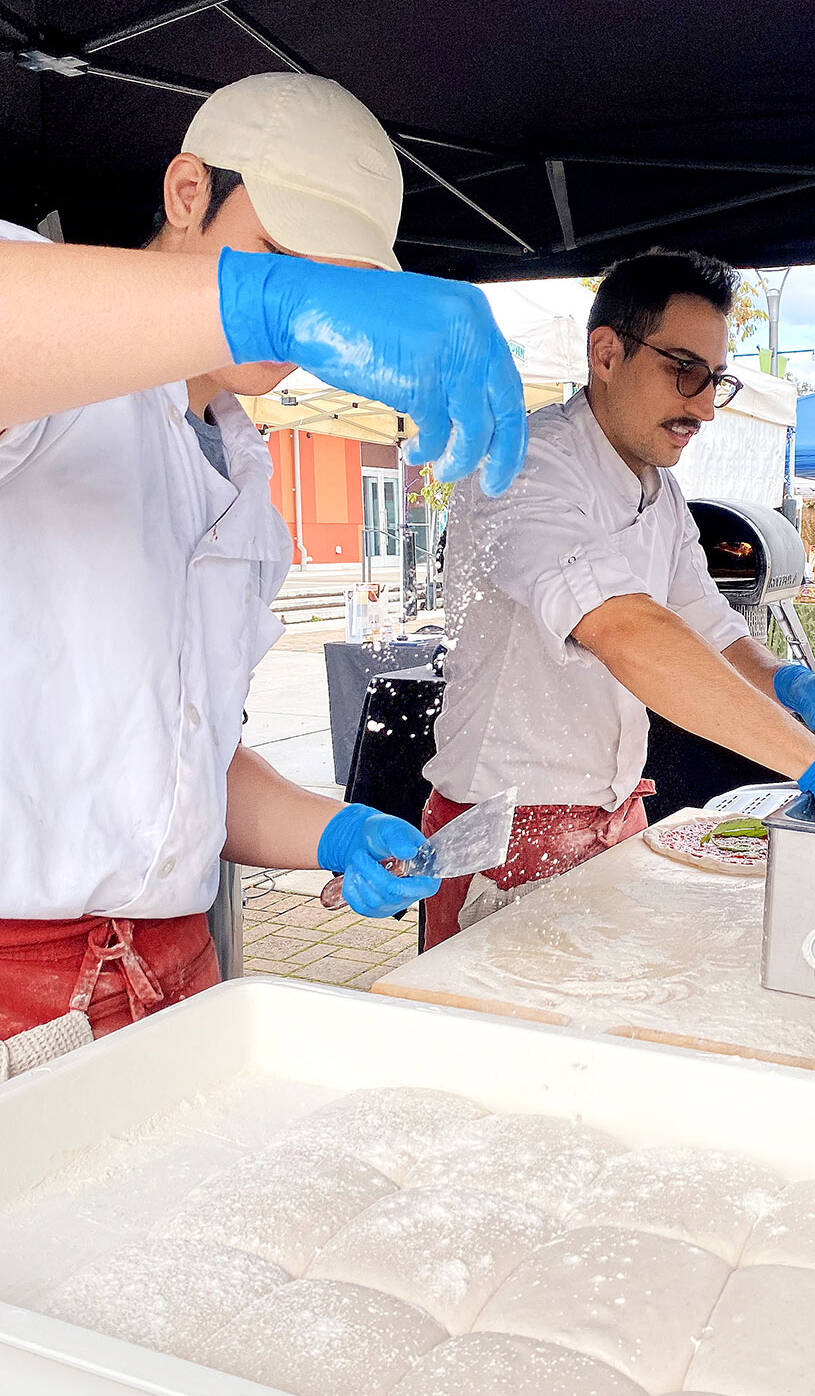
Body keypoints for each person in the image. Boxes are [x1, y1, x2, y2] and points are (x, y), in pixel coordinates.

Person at [0, 74, 528, 1045]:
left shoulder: (244, 474)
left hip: (172, 969)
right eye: (282, 257)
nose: (307, 327)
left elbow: (184, 760)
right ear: (187, 191)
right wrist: (266, 302)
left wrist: (329, 827)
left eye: (341, 285)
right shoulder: (54, 365)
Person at [420, 250, 815, 944]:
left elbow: (707, 627)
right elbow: (628, 629)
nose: (705, 407)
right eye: (685, 371)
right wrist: (814, 765)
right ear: (605, 353)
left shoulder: (662, 491)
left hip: (616, 816)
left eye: (717, 381)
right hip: (504, 835)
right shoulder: (525, 466)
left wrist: (790, 681)